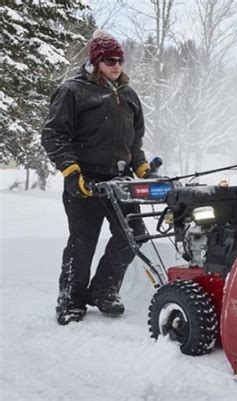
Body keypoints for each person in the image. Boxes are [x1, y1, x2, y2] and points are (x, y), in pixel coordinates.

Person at [42, 30, 156, 326]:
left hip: (121, 180)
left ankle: (104, 289)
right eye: (109, 60)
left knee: (134, 235)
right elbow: (54, 135)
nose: (116, 65)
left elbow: (135, 140)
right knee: (83, 242)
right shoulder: (74, 91)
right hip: (86, 180)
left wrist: (142, 169)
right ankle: (70, 301)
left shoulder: (128, 94)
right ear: (95, 61)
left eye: (119, 60)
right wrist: (71, 171)